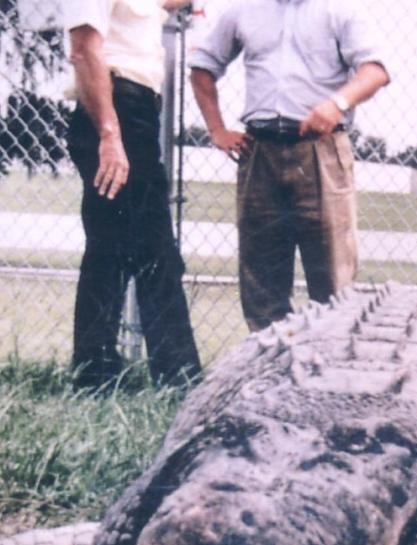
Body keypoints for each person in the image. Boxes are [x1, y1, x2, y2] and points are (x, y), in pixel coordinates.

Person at [189, 0, 390, 332]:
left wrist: (337, 103)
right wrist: (217, 130)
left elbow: (376, 70)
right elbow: (202, 67)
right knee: (262, 284)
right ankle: (268, 372)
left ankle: (330, 377)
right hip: (260, 151)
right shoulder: (243, 10)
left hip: (320, 151)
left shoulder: (340, 10)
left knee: (333, 282)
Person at [65, 0, 202, 391]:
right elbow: (84, 49)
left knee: (110, 252)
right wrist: (110, 136)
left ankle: (95, 376)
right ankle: (179, 380)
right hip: (114, 112)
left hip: (134, 110)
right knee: (156, 253)